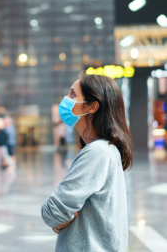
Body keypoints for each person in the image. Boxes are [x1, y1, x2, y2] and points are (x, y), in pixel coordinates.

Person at [41, 73, 133, 252]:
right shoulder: (107, 150)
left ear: (92, 106)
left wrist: (58, 224)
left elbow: (52, 211)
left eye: (72, 94)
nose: (66, 100)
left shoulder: (97, 152)